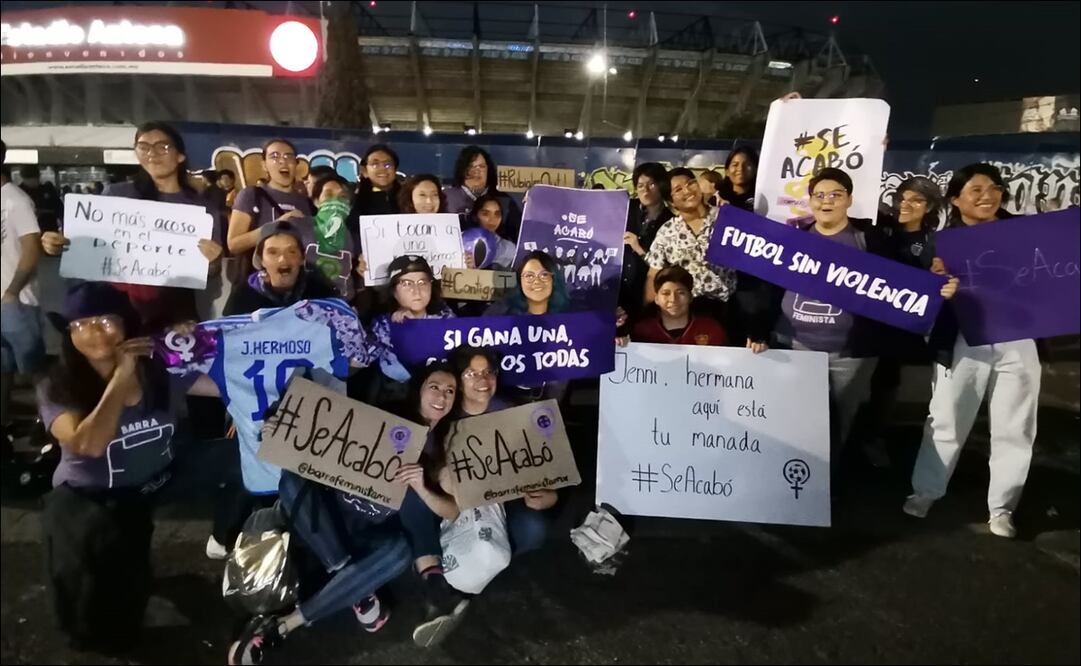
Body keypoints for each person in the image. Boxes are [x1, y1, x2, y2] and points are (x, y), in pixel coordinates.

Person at [227, 361, 466, 664]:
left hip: (371, 534)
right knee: (290, 480)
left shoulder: (442, 449)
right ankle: (353, 583)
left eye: (450, 391)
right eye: (435, 386)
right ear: (418, 389)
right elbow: (321, 433)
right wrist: (280, 427)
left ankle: (283, 626)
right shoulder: (385, 413)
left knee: (402, 551)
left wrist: (421, 487)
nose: (442, 396)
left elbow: (452, 510)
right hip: (326, 519)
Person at [38, 282, 222, 652]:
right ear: (69, 335)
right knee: (104, 583)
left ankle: (229, 537)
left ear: (126, 324)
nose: (94, 331)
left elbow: (223, 385)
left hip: (159, 477)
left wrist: (198, 343)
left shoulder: (159, 371)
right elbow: (87, 444)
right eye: (81, 324)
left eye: (106, 320)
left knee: (235, 461)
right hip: (93, 496)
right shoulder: (56, 385)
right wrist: (122, 376)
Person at [770, 168, 958, 477]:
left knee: (837, 425)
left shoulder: (869, 239)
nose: (826, 201)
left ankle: (824, 485)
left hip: (850, 355)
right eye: (819, 195)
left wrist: (938, 286)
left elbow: (901, 283)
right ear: (810, 202)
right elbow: (771, 287)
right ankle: (793, 487)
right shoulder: (794, 237)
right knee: (795, 421)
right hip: (796, 347)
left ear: (849, 200)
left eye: (835, 195)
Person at [904, 163, 1036, 539]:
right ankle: (926, 490)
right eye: (976, 189)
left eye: (994, 188)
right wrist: (937, 286)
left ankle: (1003, 507)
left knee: (1016, 425)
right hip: (961, 340)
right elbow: (919, 292)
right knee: (946, 418)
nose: (987, 195)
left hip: (1018, 338)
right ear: (955, 198)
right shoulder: (940, 243)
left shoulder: (1026, 234)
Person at [39, 122, 224, 331]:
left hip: (172, 311)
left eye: (162, 147)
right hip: (114, 308)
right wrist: (57, 243)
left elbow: (210, 271)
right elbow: (88, 244)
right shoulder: (116, 194)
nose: (152, 153)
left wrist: (215, 260)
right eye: (144, 147)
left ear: (180, 155)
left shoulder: (200, 209)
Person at [861, 176, 946, 467]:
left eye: (917, 200)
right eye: (903, 198)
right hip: (864, 315)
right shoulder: (878, 227)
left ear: (930, 206)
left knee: (886, 380)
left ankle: (874, 436)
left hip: (898, 326)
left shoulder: (933, 242)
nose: (907, 205)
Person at [644, 167, 736, 319]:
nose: (687, 191)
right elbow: (653, 274)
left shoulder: (727, 218)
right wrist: (648, 316)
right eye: (678, 189)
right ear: (671, 202)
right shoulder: (667, 232)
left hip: (727, 309)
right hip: (685, 312)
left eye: (690, 183)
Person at [363, 256, 455, 406]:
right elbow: (361, 359)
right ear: (394, 291)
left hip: (439, 394)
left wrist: (416, 328)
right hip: (395, 395)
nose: (416, 290)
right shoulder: (384, 324)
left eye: (422, 282)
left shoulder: (445, 317)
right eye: (406, 283)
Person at [2, 141, 45, 451]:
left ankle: (48, 425)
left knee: (34, 370)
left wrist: (12, 291)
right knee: (3, 369)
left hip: (15, 302)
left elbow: (32, 249)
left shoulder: (15, 201)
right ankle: (4, 422)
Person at [486, 251, 572, 403]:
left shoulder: (569, 318)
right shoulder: (501, 311)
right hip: (499, 398)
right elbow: (478, 346)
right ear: (520, 281)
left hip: (544, 400)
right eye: (529, 276)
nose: (536, 281)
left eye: (544, 275)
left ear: (554, 279)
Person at [227, 138, 315, 276]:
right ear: (264, 165)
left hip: (297, 286)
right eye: (274, 156)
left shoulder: (307, 203)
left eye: (289, 156)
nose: (282, 161)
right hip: (257, 286)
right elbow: (234, 244)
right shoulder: (251, 195)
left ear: (296, 164)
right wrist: (276, 226)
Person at [621, 163, 673, 323]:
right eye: (640, 185)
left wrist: (639, 249)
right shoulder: (625, 208)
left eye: (651, 184)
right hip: (618, 287)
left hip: (647, 291)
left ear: (662, 186)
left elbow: (665, 265)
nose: (645, 190)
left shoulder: (671, 221)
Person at [630, 266, 727, 346]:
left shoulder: (711, 329)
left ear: (690, 297)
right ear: (656, 299)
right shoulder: (641, 331)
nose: (673, 299)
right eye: (666, 293)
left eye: (681, 293)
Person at [443, 146, 521, 241]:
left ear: (488, 170)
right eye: (471, 166)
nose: (477, 171)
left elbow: (517, 236)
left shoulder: (504, 200)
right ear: (462, 169)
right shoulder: (446, 198)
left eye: (482, 166)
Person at [309, 174, 362, 300]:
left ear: (350, 205)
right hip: (303, 307)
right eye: (328, 194)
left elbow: (359, 283)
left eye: (343, 197)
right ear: (316, 201)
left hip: (342, 309)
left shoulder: (356, 239)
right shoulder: (298, 226)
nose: (336, 200)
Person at [347, 144, 401, 223]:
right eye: (375, 164)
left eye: (387, 165)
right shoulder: (353, 203)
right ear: (365, 171)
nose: (382, 169)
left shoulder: (408, 198)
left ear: (395, 170)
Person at [466, 194, 517, 270]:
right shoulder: (459, 241)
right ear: (475, 216)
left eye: (497, 214)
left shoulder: (509, 249)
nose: (492, 219)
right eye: (485, 214)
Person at [18, 164, 62, 233]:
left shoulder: (47, 189)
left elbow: (59, 208)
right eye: (31, 179)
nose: (35, 182)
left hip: (49, 228)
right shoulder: (19, 192)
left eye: (37, 178)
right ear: (24, 179)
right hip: (29, 231)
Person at [716, 146, 759, 211]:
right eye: (735, 165)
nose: (740, 169)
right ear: (727, 171)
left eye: (747, 164)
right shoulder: (718, 198)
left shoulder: (761, 200)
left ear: (756, 169)